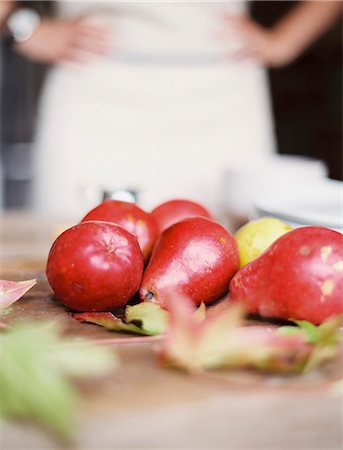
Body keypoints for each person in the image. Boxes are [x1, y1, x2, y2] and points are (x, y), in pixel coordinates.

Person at [1, 1, 342, 220]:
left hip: (225, 99)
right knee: (71, 259)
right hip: (95, 90)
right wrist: (23, 27)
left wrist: (283, 43)